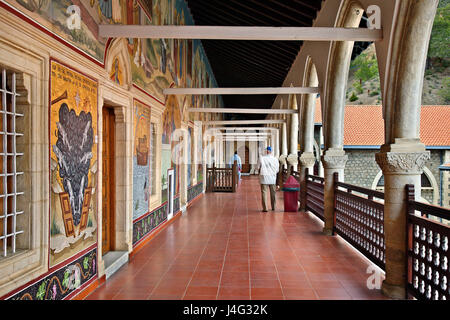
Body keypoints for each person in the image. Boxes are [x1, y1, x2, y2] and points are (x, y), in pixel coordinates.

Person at [257, 146, 279, 212]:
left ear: (266, 151)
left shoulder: (261, 158)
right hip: (272, 178)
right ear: (271, 152)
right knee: (273, 193)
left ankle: (265, 208)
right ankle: (273, 207)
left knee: (264, 193)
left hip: (264, 178)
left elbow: (257, 167)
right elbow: (277, 169)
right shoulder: (275, 159)